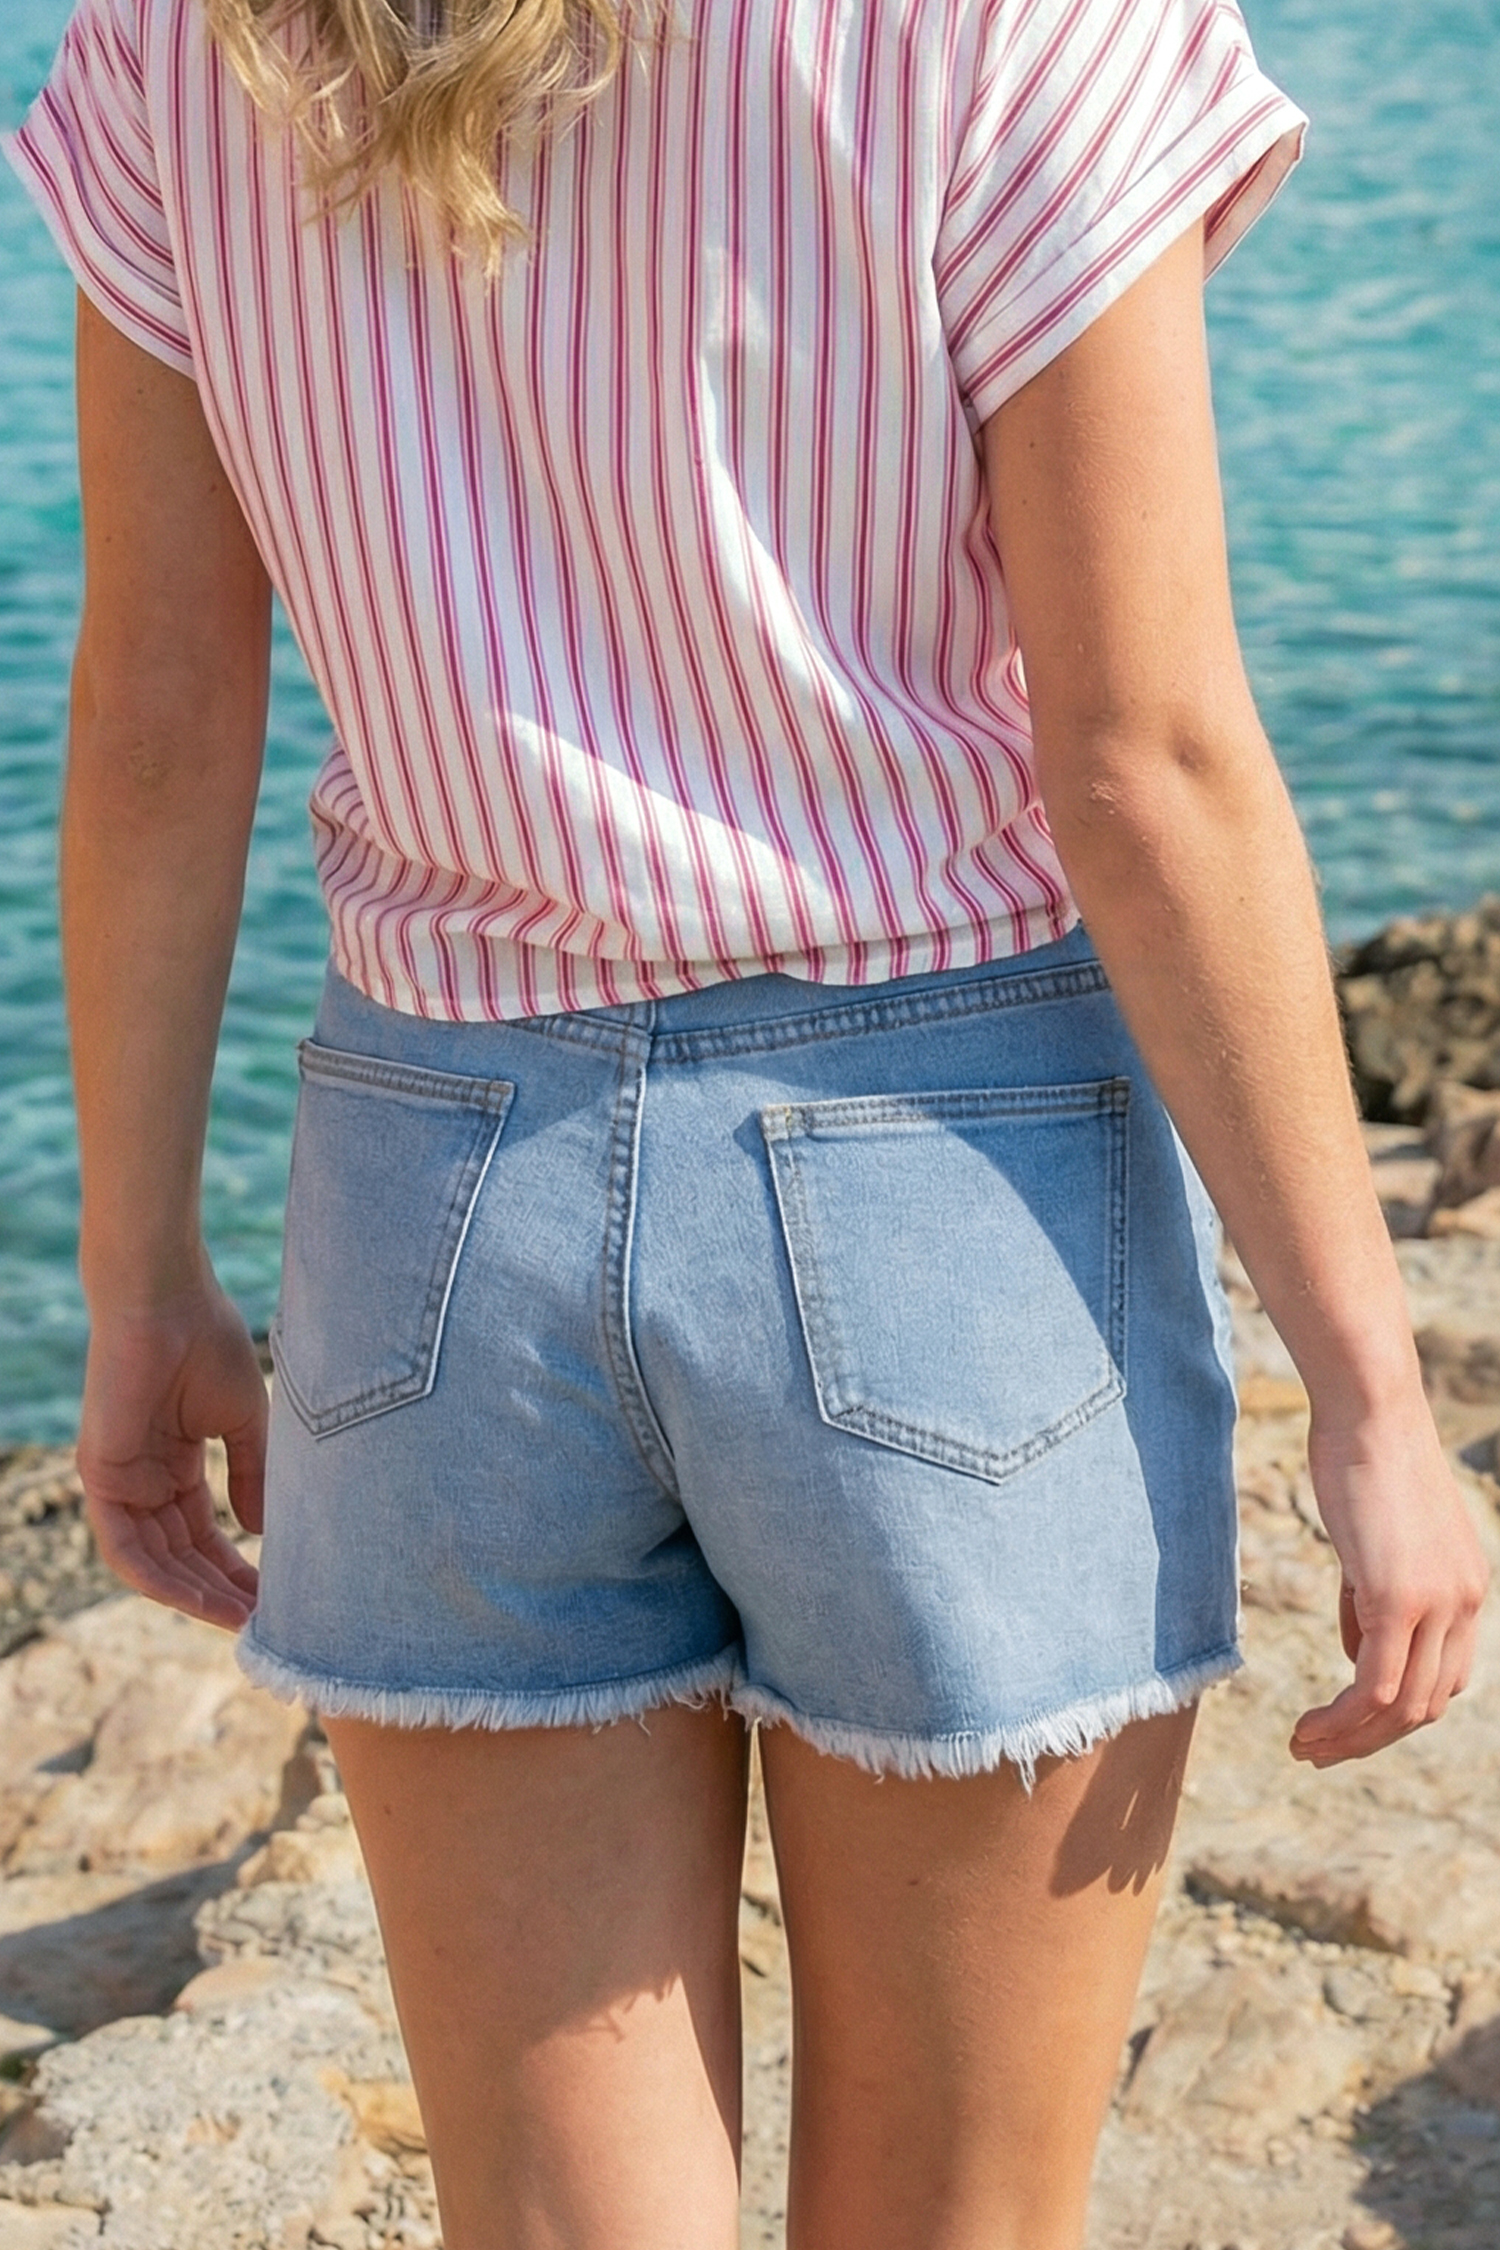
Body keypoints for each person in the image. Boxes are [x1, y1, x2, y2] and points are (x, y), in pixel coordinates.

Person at [5, 0, 1487, 2243]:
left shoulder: (173, 45)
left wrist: (142, 1285)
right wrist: (1370, 1391)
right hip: (945, 1187)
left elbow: (158, 712)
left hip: (438, 1183)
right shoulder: (1003, 26)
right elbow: (1144, 751)